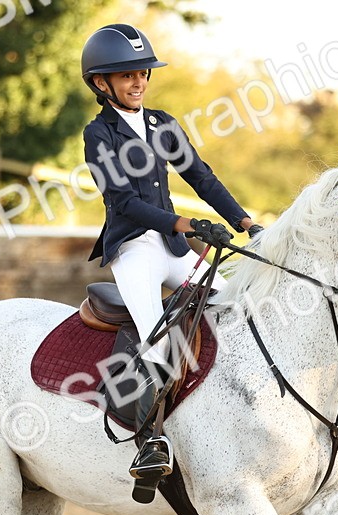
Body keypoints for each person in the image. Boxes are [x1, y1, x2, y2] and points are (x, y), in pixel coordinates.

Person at [82, 23, 263, 482]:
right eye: (126, 76)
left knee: (236, 310)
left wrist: (245, 223)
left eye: (143, 72)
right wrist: (186, 223)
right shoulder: (98, 134)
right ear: (102, 84)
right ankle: (149, 441)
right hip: (135, 250)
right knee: (158, 339)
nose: (139, 81)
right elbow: (123, 201)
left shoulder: (162, 124)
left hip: (173, 246)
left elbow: (200, 176)